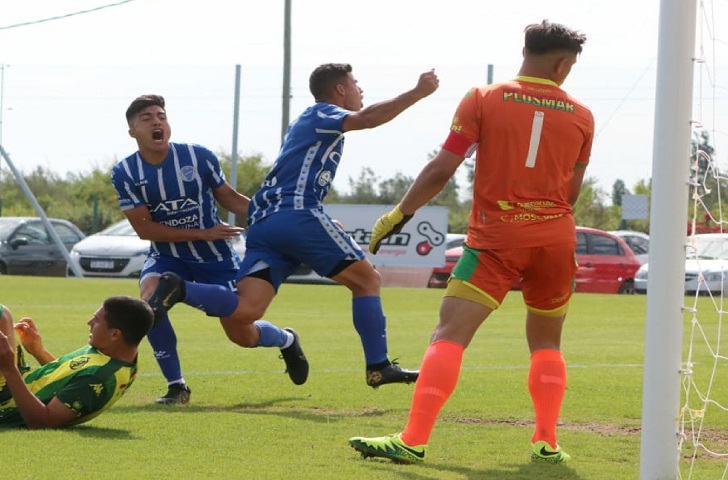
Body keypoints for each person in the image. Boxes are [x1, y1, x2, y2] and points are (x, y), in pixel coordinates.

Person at [348, 20, 593, 463]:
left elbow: (442, 169)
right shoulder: (582, 114)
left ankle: (414, 439)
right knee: (547, 343)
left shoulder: (484, 98)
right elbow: (571, 194)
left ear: (526, 50)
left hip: (496, 239)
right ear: (562, 62)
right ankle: (547, 443)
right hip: (556, 240)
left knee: (450, 333)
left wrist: (400, 214)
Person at [147, 64, 439, 388]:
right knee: (367, 280)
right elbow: (367, 119)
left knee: (245, 313)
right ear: (340, 90)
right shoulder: (321, 113)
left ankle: (179, 288)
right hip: (295, 215)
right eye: (355, 83)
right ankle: (378, 366)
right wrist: (417, 92)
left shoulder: (309, 124)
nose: (360, 90)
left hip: (264, 223)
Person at [111, 94, 308, 405]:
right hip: (167, 257)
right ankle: (177, 387)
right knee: (152, 300)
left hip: (215, 258)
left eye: (161, 115)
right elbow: (144, 228)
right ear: (133, 131)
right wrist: (202, 232)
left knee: (241, 334)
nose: (157, 122)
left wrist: (284, 219)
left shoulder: (198, 157)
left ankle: (286, 339)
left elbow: (229, 198)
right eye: (146, 118)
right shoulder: (125, 173)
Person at [0, 296, 154, 428]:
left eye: (96, 320)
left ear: (114, 334)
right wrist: (39, 352)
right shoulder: (112, 353)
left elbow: (42, 421)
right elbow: (69, 382)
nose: (89, 323)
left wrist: (9, 369)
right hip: (17, 381)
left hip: (6, 402)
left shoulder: (97, 378)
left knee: (2, 314)